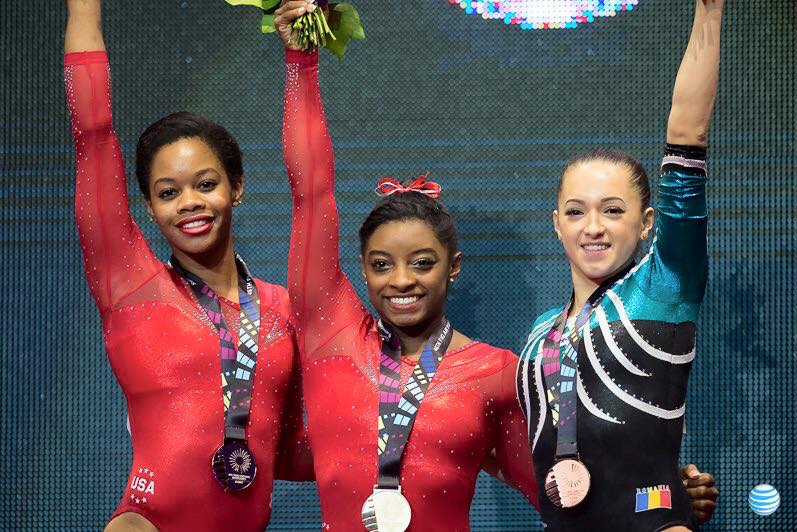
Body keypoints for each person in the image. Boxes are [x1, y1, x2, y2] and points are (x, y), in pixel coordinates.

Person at [274, 2, 717, 530]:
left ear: (453, 267)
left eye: (421, 262)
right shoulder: (532, 342)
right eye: (381, 264)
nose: (401, 280)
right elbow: (312, 195)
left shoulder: (498, 370)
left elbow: (554, 485)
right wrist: (300, 58)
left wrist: (665, 490)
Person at [64, 1, 307, 530]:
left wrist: (400, 444)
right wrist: (84, 8)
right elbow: (94, 133)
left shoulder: (281, 308)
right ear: (149, 207)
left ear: (236, 188)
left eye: (205, 184)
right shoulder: (129, 282)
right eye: (169, 192)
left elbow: (287, 450)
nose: (189, 203)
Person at [516, 0, 724, 530]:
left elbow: (688, 140)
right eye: (576, 211)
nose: (593, 227)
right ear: (556, 223)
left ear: (648, 223)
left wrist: (709, 15)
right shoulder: (541, 332)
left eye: (613, 211)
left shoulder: (665, 285)